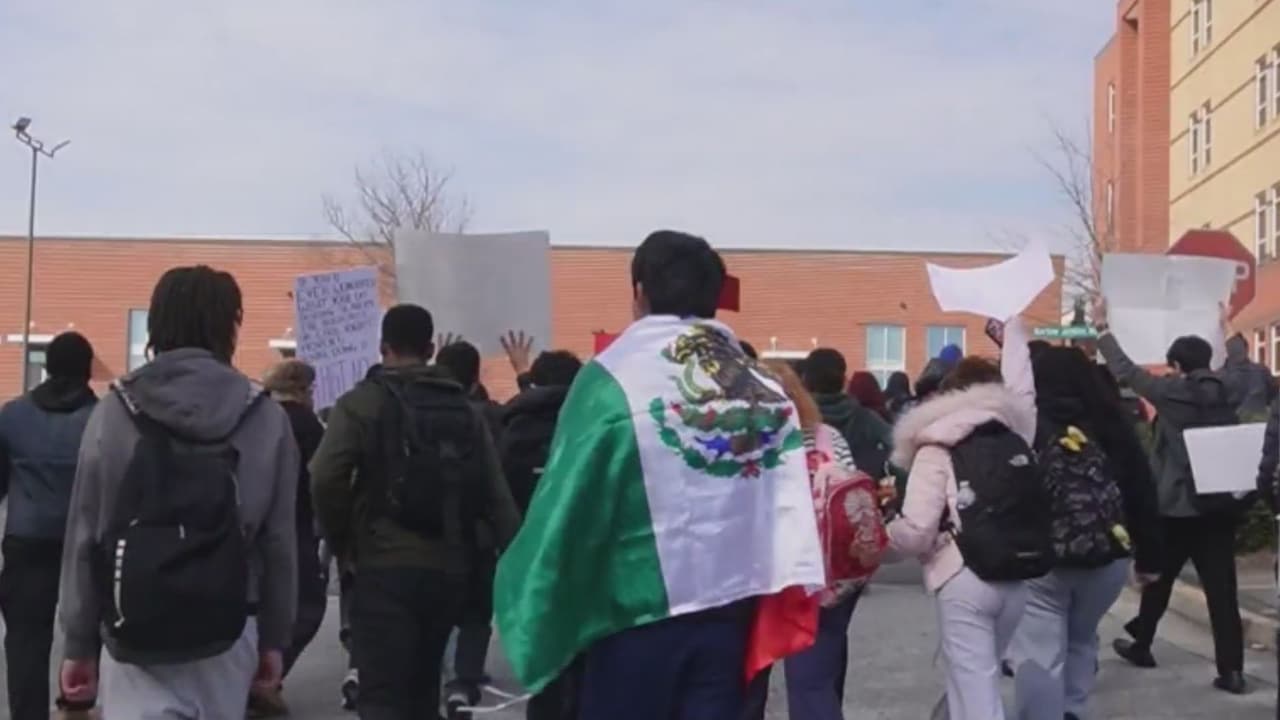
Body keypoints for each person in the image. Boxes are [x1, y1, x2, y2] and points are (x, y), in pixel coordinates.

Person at [493, 230, 824, 720]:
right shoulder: (762, 390)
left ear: (639, 293)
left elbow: (568, 496)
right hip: (732, 601)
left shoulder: (611, 380)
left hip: (635, 606)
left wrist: (533, 586)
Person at [58, 265, 299, 717]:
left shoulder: (115, 411)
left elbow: (85, 538)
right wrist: (273, 641)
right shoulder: (265, 417)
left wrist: (78, 642)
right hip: (228, 628)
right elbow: (280, 544)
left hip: (133, 625)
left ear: (156, 324)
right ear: (230, 327)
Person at [310, 303, 520, 720]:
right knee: (424, 689)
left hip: (384, 563)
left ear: (382, 346)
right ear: (429, 348)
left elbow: (324, 475)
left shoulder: (362, 403)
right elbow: (496, 494)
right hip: (449, 566)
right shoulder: (463, 407)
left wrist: (344, 543)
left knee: (383, 693)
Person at [885, 317, 1038, 720]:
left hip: (963, 577)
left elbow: (917, 532)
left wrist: (880, 539)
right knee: (970, 684)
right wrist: (1015, 334)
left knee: (977, 694)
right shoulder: (1017, 437)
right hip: (1017, 575)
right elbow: (1026, 388)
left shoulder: (936, 446)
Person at [1093, 299, 1247, 694]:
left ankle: (1143, 642)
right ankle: (1232, 671)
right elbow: (1242, 363)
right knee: (1222, 591)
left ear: (1176, 365)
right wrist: (1228, 326)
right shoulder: (1232, 386)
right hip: (1220, 505)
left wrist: (1101, 328)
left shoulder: (1170, 392)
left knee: (1159, 576)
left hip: (1177, 507)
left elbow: (1124, 369)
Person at [1009, 345, 1163, 720]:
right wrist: (1150, 558)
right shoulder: (1112, 424)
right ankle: (1073, 710)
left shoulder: (1024, 425)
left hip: (1043, 558)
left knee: (1039, 651)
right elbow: (1142, 489)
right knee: (1081, 639)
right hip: (1107, 554)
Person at [742, 360, 864, 720]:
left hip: (762, 573)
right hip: (824, 573)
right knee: (815, 683)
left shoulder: (742, 447)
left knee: (748, 682)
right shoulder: (829, 437)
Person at [0, 332, 98, 720]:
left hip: (26, 540)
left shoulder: (12, 415)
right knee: (88, 633)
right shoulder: (102, 418)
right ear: (88, 369)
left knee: (25, 639)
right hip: (86, 543)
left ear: (47, 366)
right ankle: (76, 704)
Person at [499, 349, 584, 720]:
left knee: (543, 659)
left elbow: (498, 492)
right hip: (581, 556)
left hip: (530, 556)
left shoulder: (513, 423)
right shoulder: (589, 423)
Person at [247, 359, 328, 717]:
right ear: (303, 389)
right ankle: (265, 681)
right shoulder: (307, 424)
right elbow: (322, 477)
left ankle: (258, 678)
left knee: (262, 604)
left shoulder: (257, 417)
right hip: (296, 525)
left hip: (255, 525)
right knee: (307, 608)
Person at [803, 348, 893, 478]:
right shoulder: (867, 419)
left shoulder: (797, 420)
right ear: (844, 381)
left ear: (805, 381)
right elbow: (899, 447)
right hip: (860, 492)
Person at [1223, 333, 1274, 420]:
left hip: (1230, 426)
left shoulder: (1219, 376)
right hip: (1260, 425)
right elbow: (1272, 398)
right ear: (1247, 349)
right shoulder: (1262, 371)